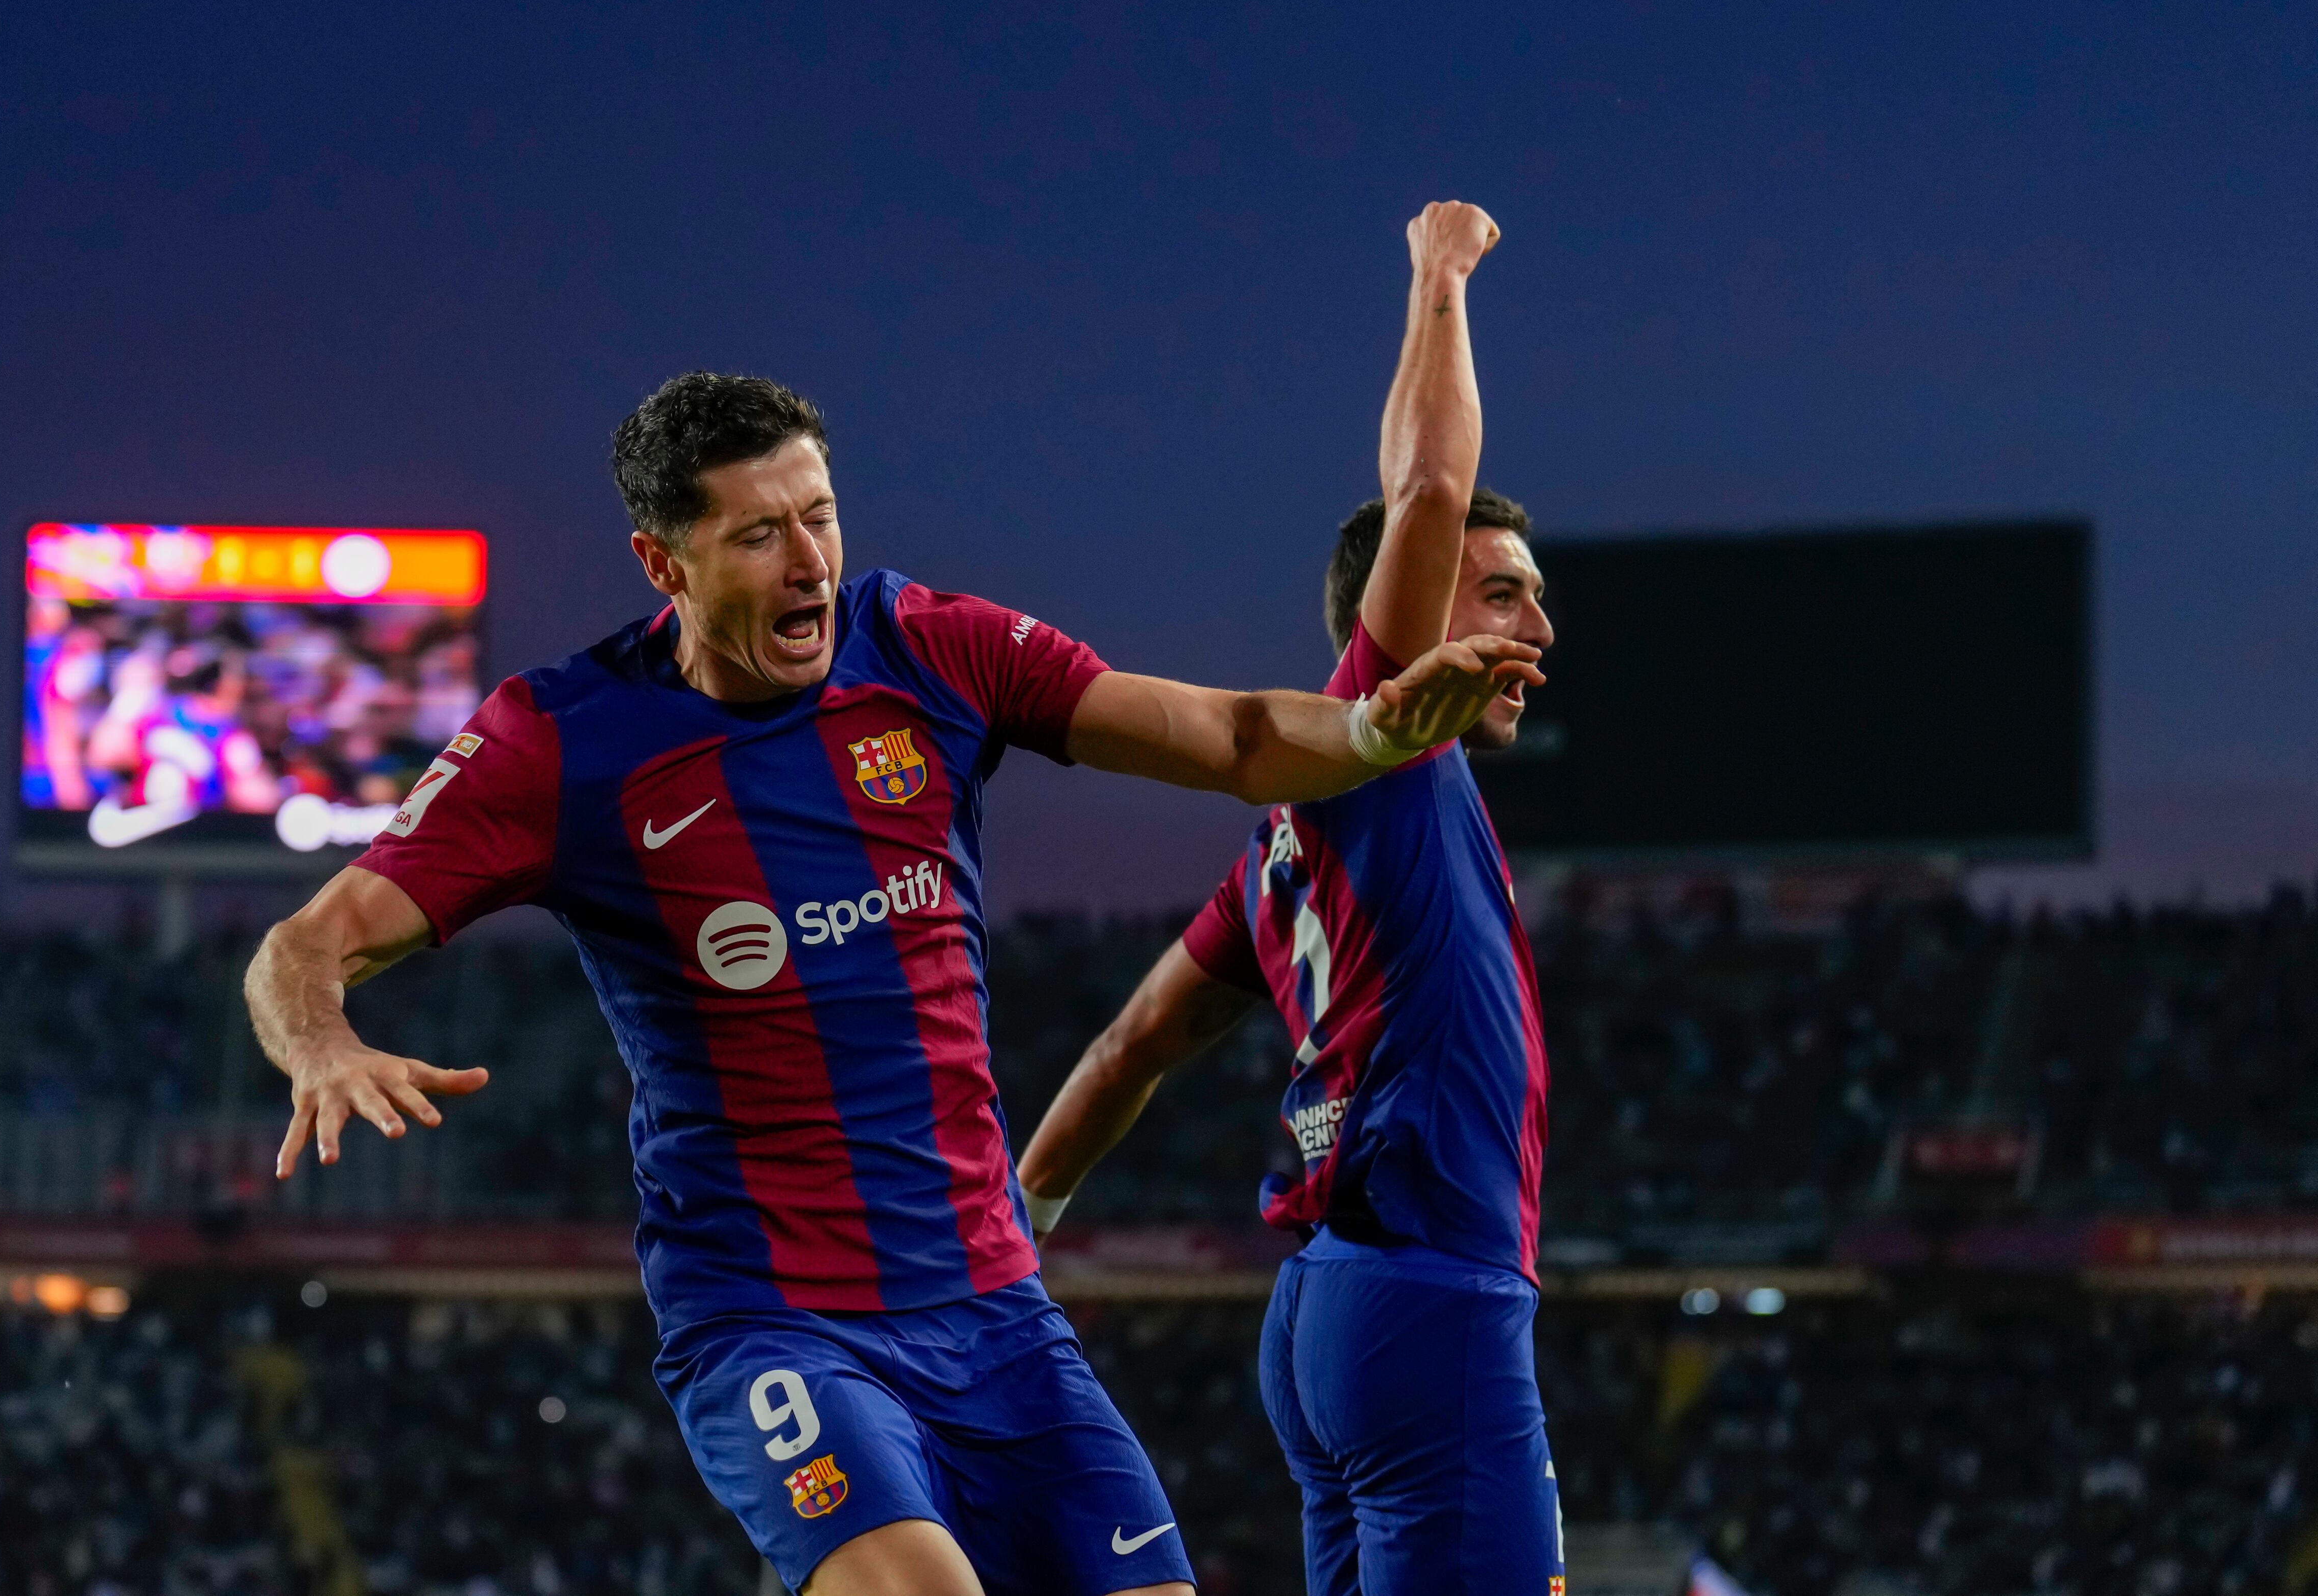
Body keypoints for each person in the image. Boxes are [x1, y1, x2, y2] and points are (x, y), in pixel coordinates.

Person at [242, 370, 1538, 1596]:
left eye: (820, 517)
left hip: (992, 1309)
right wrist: (320, 1041)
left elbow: (1235, 734)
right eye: (757, 535)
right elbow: (308, 941)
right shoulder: (561, 741)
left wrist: (1373, 730)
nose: (809, 562)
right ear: (663, 561)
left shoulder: (926, 647)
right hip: (776, 1320)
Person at [1017, 202, 1564, 1596]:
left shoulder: (1284, 845)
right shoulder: (1382, 753)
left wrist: (1017, 1225)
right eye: (1502, 595)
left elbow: (1131, 1042)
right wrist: (1439, 273)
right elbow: (1430, 493)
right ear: (1412, 615)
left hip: (1328, 1310)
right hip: (1428, 1298)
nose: (1538, 627)